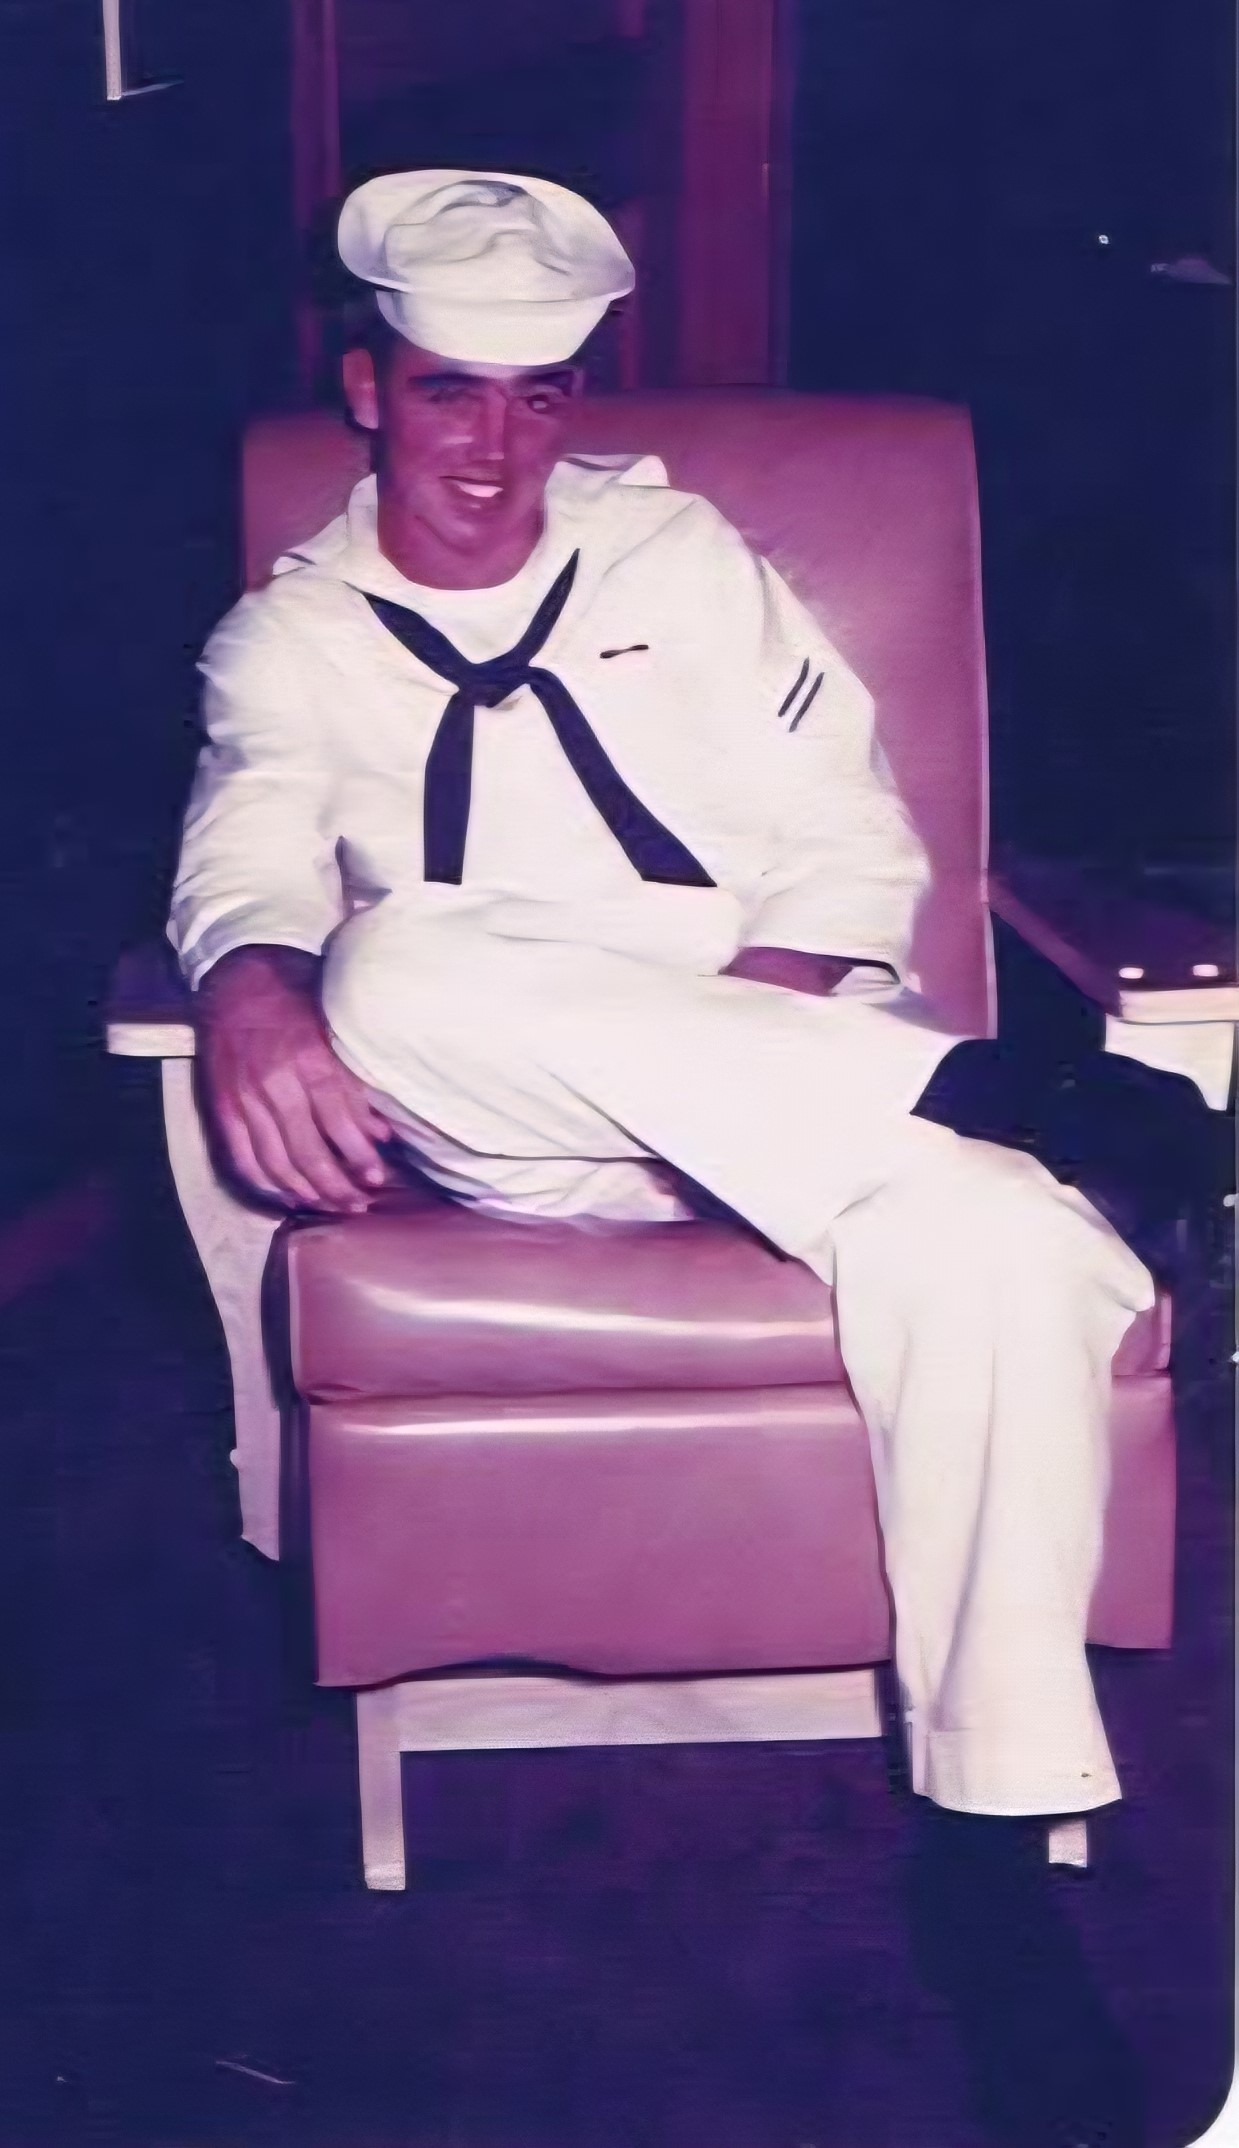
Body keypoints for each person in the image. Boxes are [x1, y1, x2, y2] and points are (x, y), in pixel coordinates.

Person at [170, 169, 1158, 2144]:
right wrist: (247, 992)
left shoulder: (680, 555)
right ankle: (1055, 1110)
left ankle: (990, 1854)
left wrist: (765, 1038)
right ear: (367, 388)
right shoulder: (291, 639)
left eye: (537, 398)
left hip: (797, 1061)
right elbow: (247, 864)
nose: (495, 446)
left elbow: (845, 833)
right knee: (391, 962)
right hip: (526, 1115)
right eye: (449, 393)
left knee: (996, 1250)